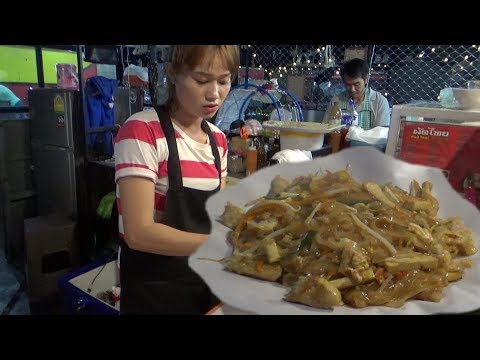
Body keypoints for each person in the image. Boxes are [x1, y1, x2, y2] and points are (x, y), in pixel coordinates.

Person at [114, 45, 239, 314]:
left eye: (224, 81)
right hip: (154, 292)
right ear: (173, 73)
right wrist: (220, 246)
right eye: (201, 80)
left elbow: (218, 217)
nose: (214, 94)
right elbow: (138, 233)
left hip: (203, 286)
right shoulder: (142, 131)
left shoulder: (218, 140)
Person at [323, 58, 390, 130]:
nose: (352, 89)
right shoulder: (336, 101)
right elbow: (326, 129)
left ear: (366, 79)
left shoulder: (379, 102)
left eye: (356, 84)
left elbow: (381, 134)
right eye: (348, 84)